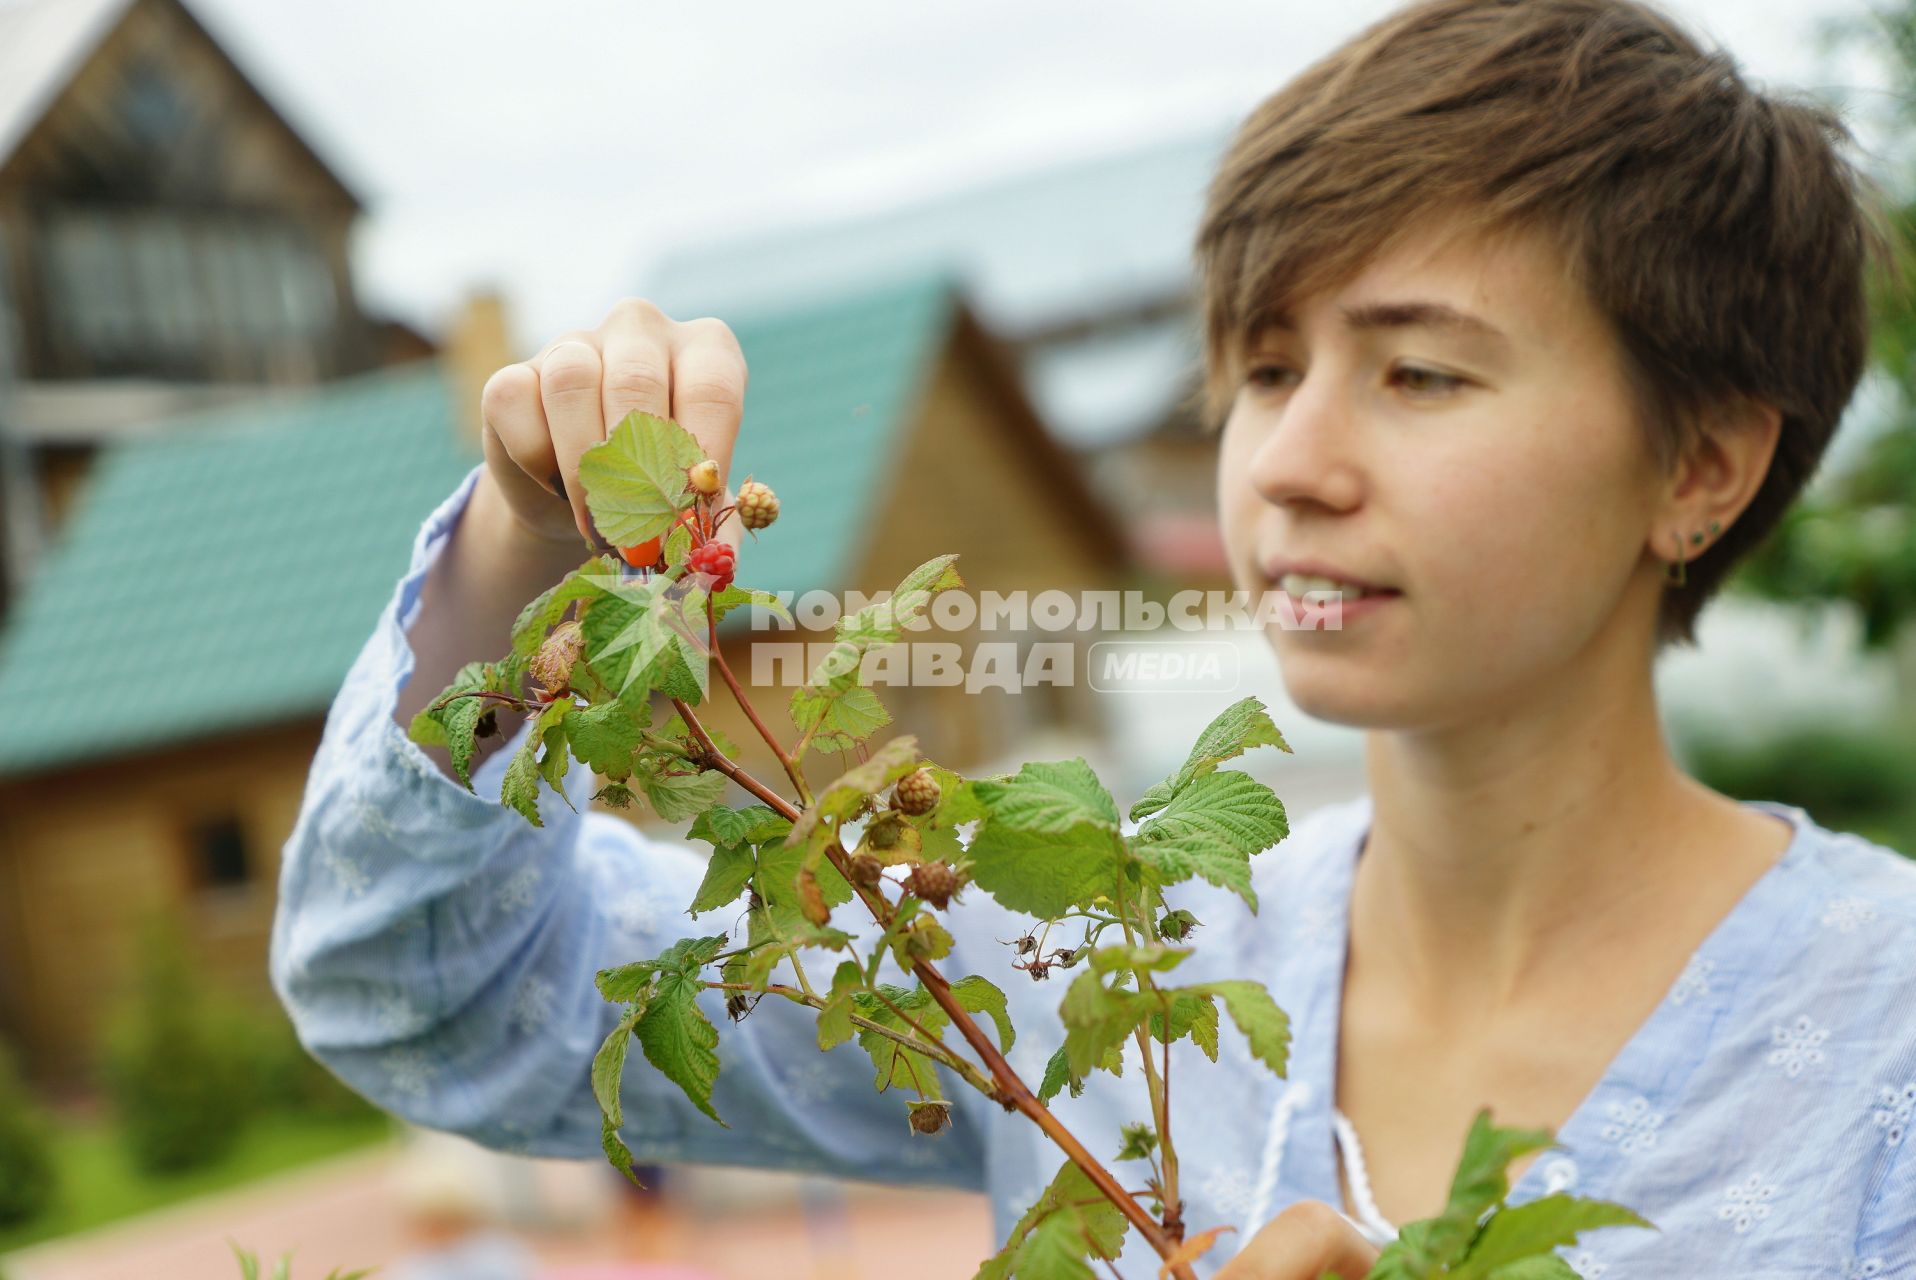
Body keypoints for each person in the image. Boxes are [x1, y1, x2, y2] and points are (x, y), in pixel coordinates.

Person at [268, 0, 1915, 1275]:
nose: (1289, 465)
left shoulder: (1880, 1039)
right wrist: (523, 539)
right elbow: (440, 1001)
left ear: (1701, 465)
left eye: (1421, 372)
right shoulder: (1097, 953)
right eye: (1265, 371)